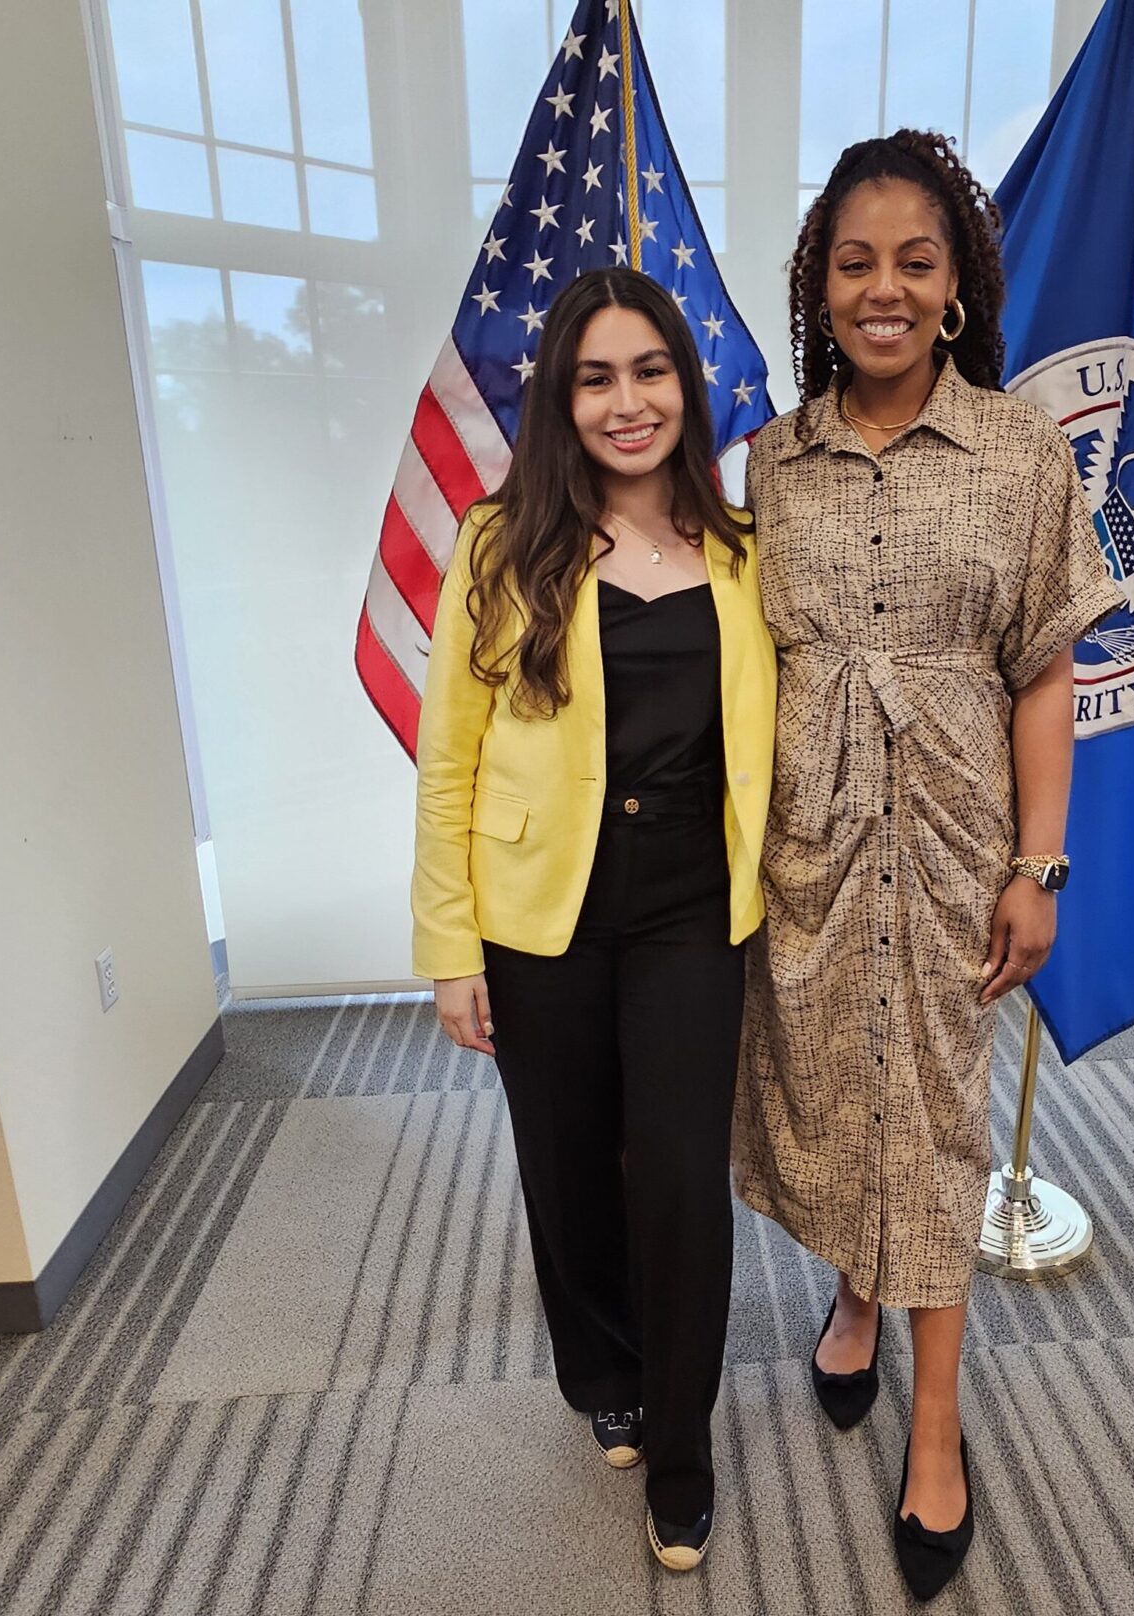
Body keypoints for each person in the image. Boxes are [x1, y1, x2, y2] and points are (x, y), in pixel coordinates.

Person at [733, 130, 1120, 1600]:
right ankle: (849, 1290)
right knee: (838, 1087)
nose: (882, 289)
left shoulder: (1024, 451)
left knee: (941, 1112)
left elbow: (1042, 671)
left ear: (956, 285)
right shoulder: (773, 459)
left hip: (961, 843)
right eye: (854, 263)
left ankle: (939, 1426)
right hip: (809, 844)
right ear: (818, 286)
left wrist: (1041, 864)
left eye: (914, 261)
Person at [412, 267, 775, 1573]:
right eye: (597, 377)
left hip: (693, 913)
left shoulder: (740, 553)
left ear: (688, 382)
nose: (630, 402)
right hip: (538, 913)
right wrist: (452, 945)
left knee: (679, 1182)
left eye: (652, 370)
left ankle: (681, 1451)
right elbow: (450, 758)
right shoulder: (497, 546)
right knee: (568, 1173)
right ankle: (607, 1372)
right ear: (563, 399)